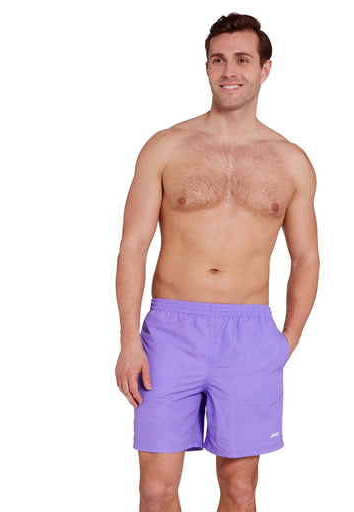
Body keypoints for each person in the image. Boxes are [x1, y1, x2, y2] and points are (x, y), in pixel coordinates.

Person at [115, 12, 319, 512]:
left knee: (240, 488)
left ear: (265, 69)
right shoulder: (165, 146)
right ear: (206, 67)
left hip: (250, 334)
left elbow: (306, 258)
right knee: (156, 490)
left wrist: (286, 341)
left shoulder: (291, 160)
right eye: (218, 60)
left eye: (242, 60)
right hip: (170, 332)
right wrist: (128, 340)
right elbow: (133, 246)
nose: (229, 71)